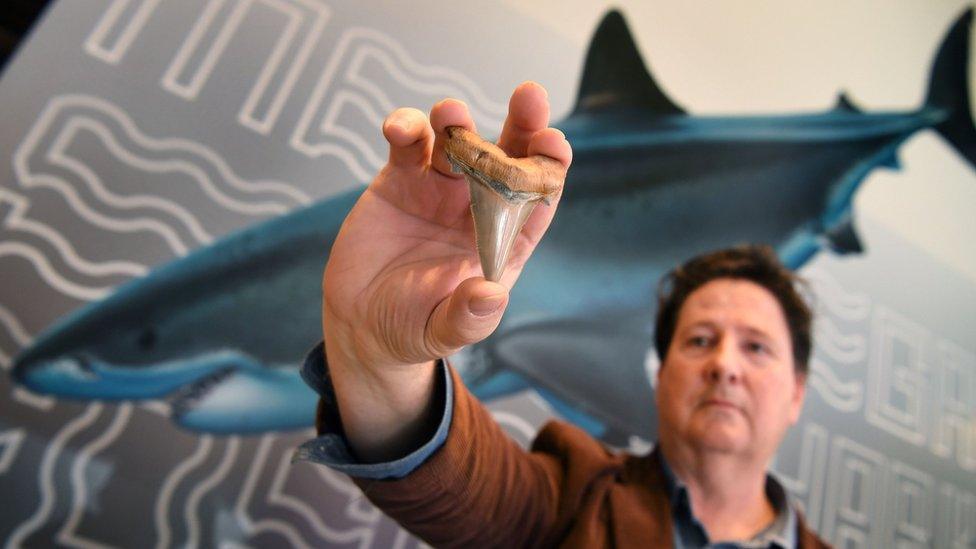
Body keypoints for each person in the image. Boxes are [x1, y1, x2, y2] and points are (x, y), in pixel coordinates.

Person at [293, 82, 833, 548]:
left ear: (797, 393)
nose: (724, 365)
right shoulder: (572, 500)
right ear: (661, 373)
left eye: (756, 346)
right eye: (698, 340)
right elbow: (465, 487)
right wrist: (379, 359)